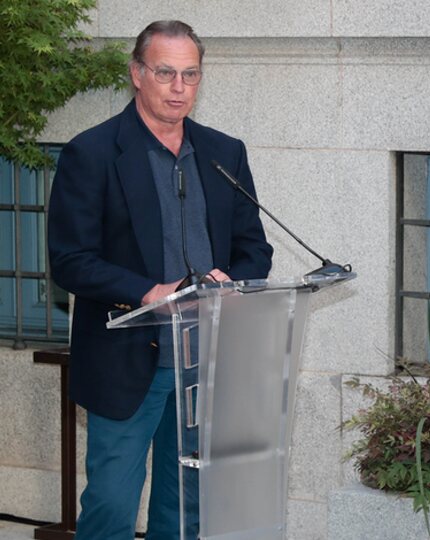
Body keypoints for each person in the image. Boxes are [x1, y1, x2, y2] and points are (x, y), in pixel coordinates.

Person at [47, 20, 273, 539]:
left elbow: (255, 247)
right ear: (136, 74)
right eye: (166, 72)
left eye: (190, 74)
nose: (179, 87)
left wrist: (230, 279)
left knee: (184, 513)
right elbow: (70, 260)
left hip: (204, 364)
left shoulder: (224, 153)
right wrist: (147, 292)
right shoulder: (93, 153)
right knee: (110, 509)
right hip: (127, 364)